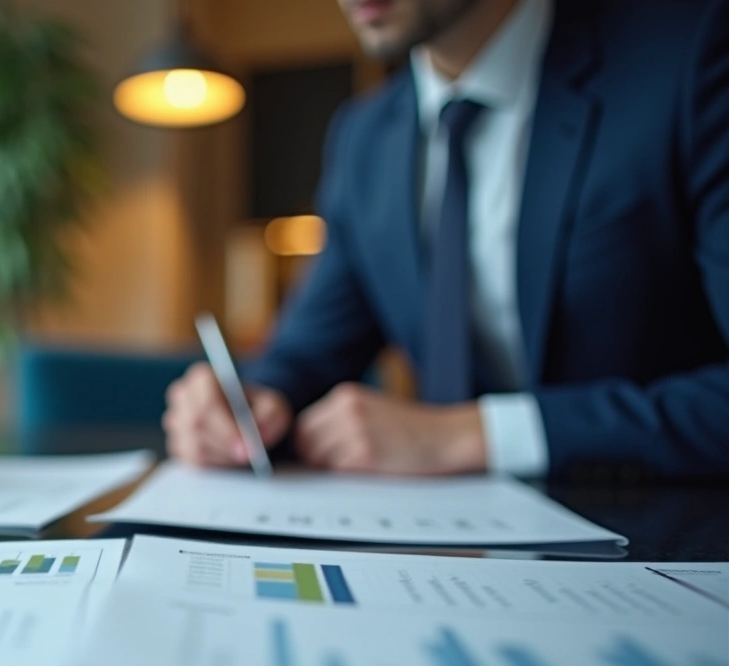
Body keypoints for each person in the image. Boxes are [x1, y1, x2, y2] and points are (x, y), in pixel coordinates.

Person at [165, 0, 729, 479]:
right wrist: (248, 405)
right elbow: (310, 351)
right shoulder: (365, 137)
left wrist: (478, 435)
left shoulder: (690, 58)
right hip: (452, 555)